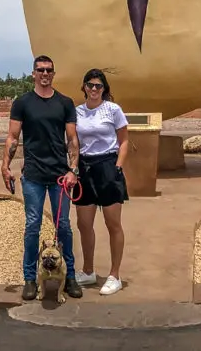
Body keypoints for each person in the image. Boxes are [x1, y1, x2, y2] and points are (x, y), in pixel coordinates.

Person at [1, 54, 83, 301]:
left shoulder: (65, 103)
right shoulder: (23, 103)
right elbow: (13, 137)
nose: (45, 74)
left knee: (64, 227)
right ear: (33, 73)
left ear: (53, 74)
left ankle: (69, 278)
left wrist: (73, 170)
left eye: (49, 70)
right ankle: (29, 278)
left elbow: (72, 139)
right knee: (32, 227)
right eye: (41, 70)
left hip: (60, 175)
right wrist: (5, 166)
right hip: (34, 176)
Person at [71, 68, 129, 296]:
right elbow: (73, 142)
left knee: (112, 223)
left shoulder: (113, 110)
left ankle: (115, 275)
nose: (94, 89)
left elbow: (124, 141)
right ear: (84, 87)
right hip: (85, 168)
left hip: (108, 166)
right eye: (90, 85)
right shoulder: (77, 112)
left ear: (104, 89)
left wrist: (118, 167)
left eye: (99, 86)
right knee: (84, 224)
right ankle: (88, 271)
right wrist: (73, 168)